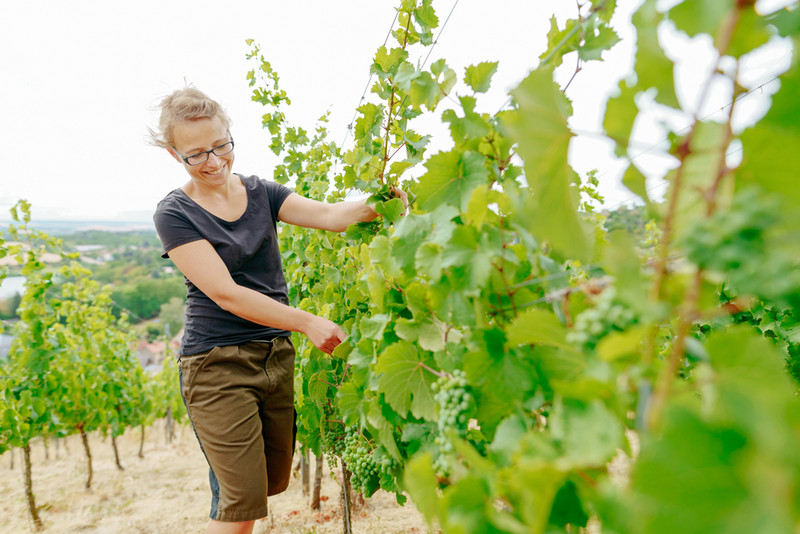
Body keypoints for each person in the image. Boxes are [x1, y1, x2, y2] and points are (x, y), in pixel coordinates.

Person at [150, 87, 406, 534]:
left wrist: (375, 206)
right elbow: (226, 294)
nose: (213, 161)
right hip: (217, 365)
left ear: (230, 136)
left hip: (273, 355)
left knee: (259, 491)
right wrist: (307, 322)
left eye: (220, 146)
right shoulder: (175, 213)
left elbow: (328, 214)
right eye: (196, 154)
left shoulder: (262, 192)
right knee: (240, 504)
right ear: (174, 154)